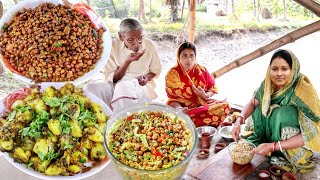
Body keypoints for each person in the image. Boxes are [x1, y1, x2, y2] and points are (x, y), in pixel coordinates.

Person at [231, 49, 320, 173]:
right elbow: (252, 102)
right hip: (267, 135)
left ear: (293, 70)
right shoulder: (268, 83)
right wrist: (238, 121)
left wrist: (273, 146)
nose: (279, 74)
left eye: (284, 69)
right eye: (274, 69)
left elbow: (309, 134)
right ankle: (264, 143)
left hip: (289, 143)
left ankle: (278, 151)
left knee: (283, 113)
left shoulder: (303, 90)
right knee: (260, 106)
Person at [85, 18, 162, 112]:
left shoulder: (149, 45)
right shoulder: (112, 45)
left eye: (140, 38)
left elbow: (155, 70)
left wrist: (146, 78)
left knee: (122, 87)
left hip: (139, 86)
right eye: (130, 40)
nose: (137, 44)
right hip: (115, 84)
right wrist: (127, 61)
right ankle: (105, 117)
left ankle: (122, 121)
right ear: (121, 37)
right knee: (91, 88)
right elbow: (112, 79)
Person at [165, 42, 230, 127]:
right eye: (185, 56)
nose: (188, 60)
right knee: (175, 115)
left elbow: (212, 89)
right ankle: (188, 120)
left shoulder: (201, 70)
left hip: (200, 106)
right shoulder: (172, 74)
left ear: (195, 57)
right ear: (178, 57)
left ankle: (187, 122)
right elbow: (172, 100)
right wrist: (180, 109)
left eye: (191, 56)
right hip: (181, 109)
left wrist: (205, 95)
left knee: (225, 106)